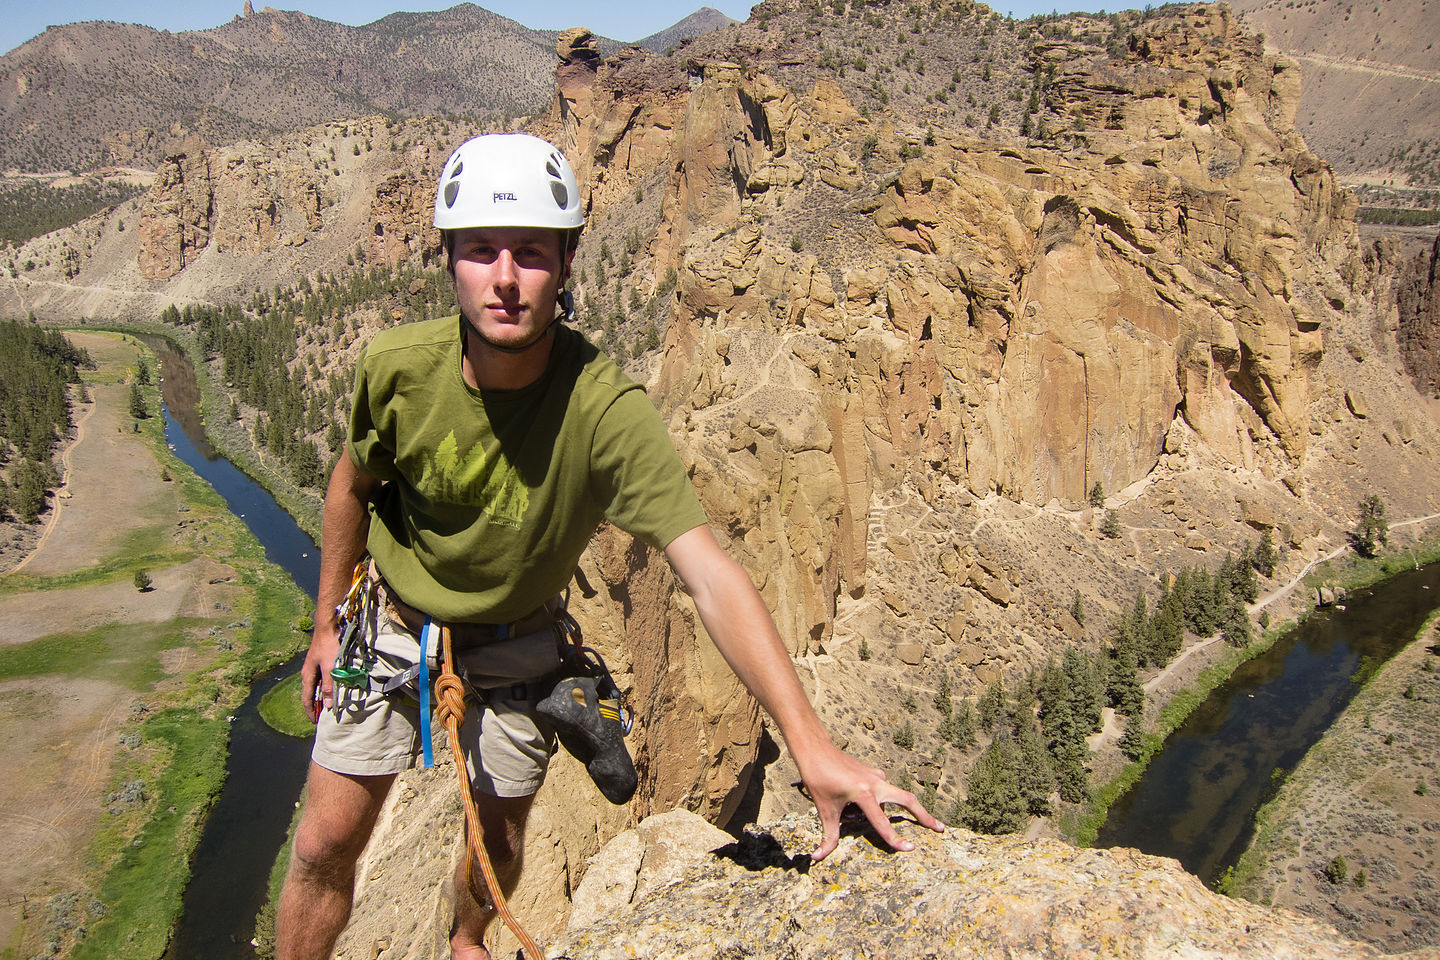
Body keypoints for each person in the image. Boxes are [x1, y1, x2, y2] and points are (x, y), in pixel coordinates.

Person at [273, 132, 941, 960]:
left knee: (499, 842)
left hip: (518, 646)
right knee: (323, 844)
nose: (506, 278)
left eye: (531, 252)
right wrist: (326, 623)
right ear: (448, 259)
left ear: (566, 263)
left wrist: (811, 746)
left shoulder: (604, 410)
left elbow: (707, 574)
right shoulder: (397, 369)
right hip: (392, 628)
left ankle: (467, 940)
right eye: (481, 250)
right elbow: (352, 485)